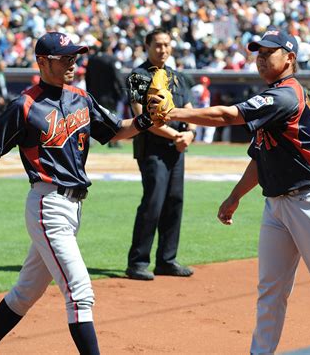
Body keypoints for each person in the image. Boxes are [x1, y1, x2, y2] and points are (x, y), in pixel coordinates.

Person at [149, 29, 310, 353]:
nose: (261, 58)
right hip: (276, 206)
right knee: (270, 291)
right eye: (258, 53)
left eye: (269, 52)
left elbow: (227, 115)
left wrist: (174, 112)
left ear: (290, 58)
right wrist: (235, 196)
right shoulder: (273, 98)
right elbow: (259, 157)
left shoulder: (286, 95)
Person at [0, 31, 158, 355]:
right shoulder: (24, 105)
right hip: (47, 205)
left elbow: (117, 130)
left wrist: (145, 119)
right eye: (66, 58)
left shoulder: (81, 98)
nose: (73, 62)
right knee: (80, 293)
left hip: (72, 209)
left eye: (75, 57)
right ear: (43, 62)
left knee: (26, 292)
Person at [125, 27, 196, 281]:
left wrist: (190, 134)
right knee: (153, 202)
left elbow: (189, 111)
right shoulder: (138, 77)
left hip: (176, 148)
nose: (163, 49)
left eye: (166, 45)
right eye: (157, 45)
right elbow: (141, 117)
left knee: (174, 202)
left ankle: (167, 260)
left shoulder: (178, 77)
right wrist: (176, 135)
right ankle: (137, 262)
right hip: (152, 149)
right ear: (147, 46)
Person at [85, 42, 125, 148]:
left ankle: (89, 142)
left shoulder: (92, 59)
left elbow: (87, 78)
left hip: (94, 94)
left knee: (94, 118)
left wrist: (88, 92)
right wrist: (122, 92)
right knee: (112, 117)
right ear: (109, 49)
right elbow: (118, 77)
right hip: (110, 95)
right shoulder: (112, 59)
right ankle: (114, 141)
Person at [191, 75, 215, 143]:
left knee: (198, 127)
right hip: (203, 111)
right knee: (211, 126)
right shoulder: (204, 89)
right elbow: (204, 100)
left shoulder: (193, 88)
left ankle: (197, 141)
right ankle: (207, 142)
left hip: (194, 111)